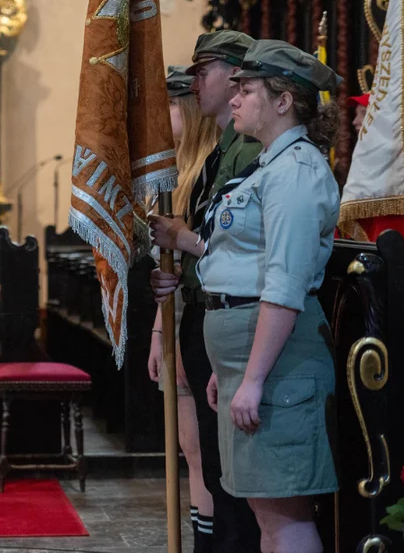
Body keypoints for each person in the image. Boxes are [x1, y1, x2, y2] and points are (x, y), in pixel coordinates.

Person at [152, 40, 341, 552]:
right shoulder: (266, 168)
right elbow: (235, 266)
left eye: (248, 89)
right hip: (249, 359)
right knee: (264, 513)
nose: (234, 99)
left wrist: (253, 377)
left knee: (285, 516)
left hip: (280, 367)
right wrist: (230, 369)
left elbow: (282, 287)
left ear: (284, 101)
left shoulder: (296, 173)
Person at [148, 31, 262, 552]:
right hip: (205, 310)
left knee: (225, 467)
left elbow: (240, 246)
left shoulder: (243, 153)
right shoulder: (218, 157)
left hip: (234, 315)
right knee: (206, 460)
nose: (194, 85)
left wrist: (183, 242)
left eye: (202, 73)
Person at [147, 65, 218, 552]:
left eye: (170, 105)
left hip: (204, 315)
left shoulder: (208, 169)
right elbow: (165, 276)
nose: (162, 115)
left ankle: (209, 541)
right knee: (189, 449)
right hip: (175, 317)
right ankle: (199, 537)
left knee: (202, 451)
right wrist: (157, 333)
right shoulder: (175, 171)